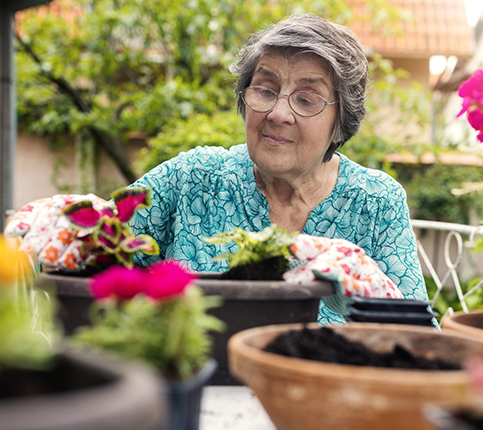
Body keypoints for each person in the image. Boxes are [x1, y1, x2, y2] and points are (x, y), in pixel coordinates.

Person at [127, 14, 426, 323]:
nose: (278, 113)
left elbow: (417, 337)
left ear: (340, 124)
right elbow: (89, 244)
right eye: (266, 90)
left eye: (307, 99)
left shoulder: (376, 203)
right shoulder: (191, 178)